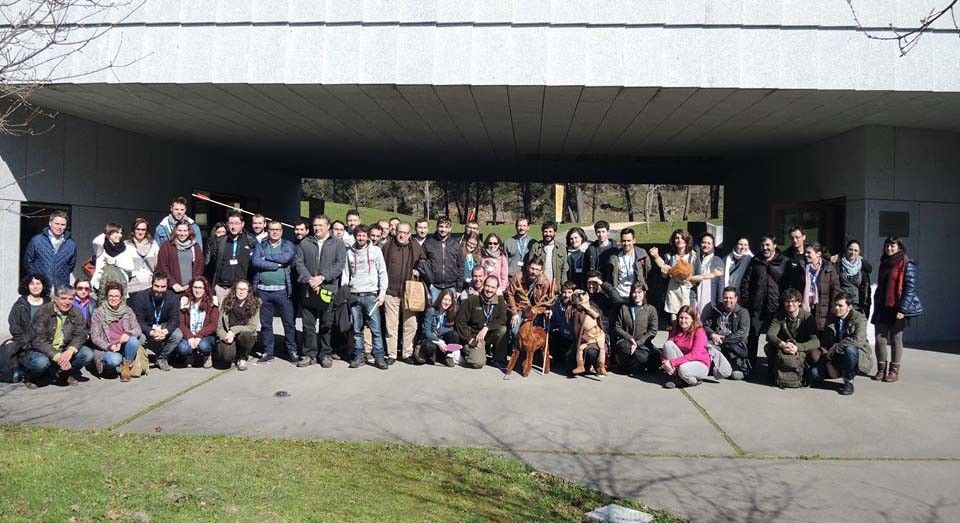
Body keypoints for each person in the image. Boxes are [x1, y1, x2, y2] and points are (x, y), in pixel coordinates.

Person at [294, 215, 346, 368]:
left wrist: (322, 278)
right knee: (308, 324)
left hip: (327, 289)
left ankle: (325, 354)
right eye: (315, 225)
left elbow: (339, 265)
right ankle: (309, 354)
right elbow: (299, 263)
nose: (317, 228)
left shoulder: (337, 244)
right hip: (309, 289)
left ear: (328, 227)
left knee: (326, 324)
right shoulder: (305, 242)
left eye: (321, 225)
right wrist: (310, 279)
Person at [871, 236, 924, 383]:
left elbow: (910, 289)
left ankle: (893, 371)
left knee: (895, 339)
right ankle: (881, 369)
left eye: (893, 246)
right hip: (883, 306)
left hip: (898, 308)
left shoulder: (907, 263)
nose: (889, 248)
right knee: (880, 339)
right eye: (887, 246)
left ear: (899, 247)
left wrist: (903, 309)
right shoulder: (884, 262)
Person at [22, 285, 94, 387]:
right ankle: (32, 377)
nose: (67, 302)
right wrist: (58, 356)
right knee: (41, 362)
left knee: (87, 354)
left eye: (70, 299)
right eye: (63, 298)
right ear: (55, 299)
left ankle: (63, 374)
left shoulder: (76, 312)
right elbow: (38, 340)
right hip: (43, 350)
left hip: (64, 348)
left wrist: (71, 350)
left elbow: (81, 333)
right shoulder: (43, 311)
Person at [251, 220, 299, 364]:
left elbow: (286, 258)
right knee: (266, 324)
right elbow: (255, 262)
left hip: (283, 292)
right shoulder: (261, 245)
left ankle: (292, 351)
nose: (274, 232)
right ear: (268, 230)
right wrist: (276, 265)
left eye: (277, 229)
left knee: (289, 323)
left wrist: (267, 258)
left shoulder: (288, 245)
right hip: (263, 291)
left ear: (282, 231)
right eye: (272, 229)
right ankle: (268, 352)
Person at [739, 236, 789, 370]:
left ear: (775, 245)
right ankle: (750, 366)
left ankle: (774, 366)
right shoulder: (755, 261)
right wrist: (746, 301)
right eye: (762, 245)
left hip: (776, 308)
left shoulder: (784, 262)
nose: (765, 248)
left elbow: (787, 285)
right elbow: (746, 283)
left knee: (776, 338)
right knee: (753, 337)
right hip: (757, 308)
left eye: (767, 245)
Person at [809, 292, 872, 396]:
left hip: (856, 356)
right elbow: (826, 344)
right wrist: (828, 362)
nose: (837, 308)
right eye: (835, 305)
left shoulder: (859, 318)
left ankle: (848, 382)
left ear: (849, 307)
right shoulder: (832, 318)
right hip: (836, 358)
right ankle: (839, 372)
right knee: (814, 374)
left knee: (850, 349)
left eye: (840, 305)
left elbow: (858, 341)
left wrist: (836, 347)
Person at [346, 226, 389, 370]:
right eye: (359, 236)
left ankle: (379, 357)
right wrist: (346, 292)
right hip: (354, 295)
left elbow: (382, 272)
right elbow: (346, 274)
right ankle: (359, 356)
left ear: (368, 237)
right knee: (357, 329)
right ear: (355, 236)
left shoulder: (376, 251)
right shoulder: (349, 253)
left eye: (364, 236)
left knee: (376, 329)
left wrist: (382, 293)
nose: (361, 238)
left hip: (371, 295)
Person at [382, 221, 425, 364]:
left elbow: (424, 262)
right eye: (399, 232)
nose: (401, 235)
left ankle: (407, 353)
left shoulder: (416, 247)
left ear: (409, 234)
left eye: (405, 233)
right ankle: (392, 354)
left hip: (409, 293)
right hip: (391, 291)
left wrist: (419, 269)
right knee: (391, 326)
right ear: (395, 232)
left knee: (410, 324)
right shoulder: (388, 246)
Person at [764, 288, 821, 389]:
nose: (790, 304)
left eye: (793, 301)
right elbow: (770, 334)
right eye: (787, 301)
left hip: (801, 348)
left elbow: (816, 341)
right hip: (785, 347)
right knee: (768, 347)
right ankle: (773, 372)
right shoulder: (780, 316)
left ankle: (805, 374)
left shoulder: (808, 317)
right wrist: (782, 344)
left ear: (799, 302)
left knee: (815, 355)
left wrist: (798, 347)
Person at [89, 281, 142, 381]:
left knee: (134, 340)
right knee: (114, 360)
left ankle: (126, 367)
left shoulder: (127, 310)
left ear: (121, 297)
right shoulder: (98, 313)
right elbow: (95, 337)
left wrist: (128, 334)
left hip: (123, 346)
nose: (113, 298)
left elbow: (138, 329)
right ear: (106, 296)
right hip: (107, 348)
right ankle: (108, 368)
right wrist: (109, 346)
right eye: (111, 296)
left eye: (116, 296)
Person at [455, 275, 510, 369]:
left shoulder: (500, 300)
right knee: (477, 363)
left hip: (488, 334)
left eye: (493, 287)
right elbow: (460, 321)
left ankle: (499, 359)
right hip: (474, 336)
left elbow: (502, 319)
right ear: (483, 285)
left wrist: (487, 327)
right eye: (487, 286)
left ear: (497, 289)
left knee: (503, 330)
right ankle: (466, 350)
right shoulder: (472, 300)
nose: (489, 290)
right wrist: (469, 339)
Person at [131, 272, 181, 371]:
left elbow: (174, 319)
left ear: (167, 286)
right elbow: (138, 321)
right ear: (152, 284)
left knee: (177, 335)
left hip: (163, 328)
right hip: (146, 328)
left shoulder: (173, 298)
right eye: (156, 286)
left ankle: (162, 358)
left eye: (163, 287)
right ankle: (141, 359)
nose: (159, 289)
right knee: (138, 338)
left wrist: (165, 331)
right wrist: (151, 332)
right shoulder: (140, 297)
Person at [8, 274, 51, 382]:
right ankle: (30, 377)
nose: (35, 286)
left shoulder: (49, 303)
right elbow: (14, 327)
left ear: (43, 286)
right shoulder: (20, 304)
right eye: (32, 284)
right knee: (42, 362)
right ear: (27, 286)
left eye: (38, 283)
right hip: (26, 346)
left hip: (46, 343)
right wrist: (26, 343)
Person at [701, 287, 751, 379]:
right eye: (725, 298)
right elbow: (705, 326)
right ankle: (713, 366)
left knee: (736, 376)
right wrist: (713, 334)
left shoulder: (743, 312)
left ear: (736, 299)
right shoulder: (716, 310)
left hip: (734, 346)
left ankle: (728, 366)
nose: (728, 300)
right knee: (705, 345)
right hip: (717, 344)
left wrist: (723, 340)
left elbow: (742, 334)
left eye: (731, 298)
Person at [208, 211, 257, 303]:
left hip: (242, 289)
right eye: (231, 223)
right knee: (220, 316)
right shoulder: (220, 241)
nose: (233, 226)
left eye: (237, 223)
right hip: (223, 288)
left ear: (242, 224)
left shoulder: (250, 241)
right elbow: (212, 265)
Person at [650, 229, 698, 321]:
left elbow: (699, 274)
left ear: (687, 239)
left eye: (682, 237)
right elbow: (664, 272)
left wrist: (693, 283)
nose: (679, 240)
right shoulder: (669, 256)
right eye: (677, 238)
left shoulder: (694, 256)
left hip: (688, 294)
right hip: (672, 293)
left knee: (688, 320)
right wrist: (656, 257)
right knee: (674, 321)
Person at [612, 282, 659, 376]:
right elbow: (617, 327)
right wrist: (630, 338)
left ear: (644, 293)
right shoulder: (624, 308)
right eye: (634, 292)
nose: (636, 295)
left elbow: (653, 331)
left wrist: (638, 343)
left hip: (643, 343)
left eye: (639, 292)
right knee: (624, 348)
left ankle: (636, 366)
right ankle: (629, 366)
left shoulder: (651, 309)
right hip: (627, 341)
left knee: (643, 356)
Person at [23, 210, 78, 290]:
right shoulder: (37, 240)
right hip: (41, 287)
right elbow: (28, 262)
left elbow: (70, 266)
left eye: (63, 224)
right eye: (57, 224)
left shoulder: (71, 244)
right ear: (50, 223)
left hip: (61, 287)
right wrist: (37, 278)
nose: (59, 227)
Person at [505, 256, 555, 341]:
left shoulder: (544, 282)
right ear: (528, 267)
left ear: (541, 271)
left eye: (537, 270)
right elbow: (510, 294)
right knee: (515, 331)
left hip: (536, 310)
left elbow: (546, 300)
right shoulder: (518, 277)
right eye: (532, 268)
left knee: (535, 333)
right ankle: (516, 348)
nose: (534, 272)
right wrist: (514, 313)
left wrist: (546, 310)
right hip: (519, 308)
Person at [659, 305, 710, 388]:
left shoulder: (699, 332)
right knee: (668, 344)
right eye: (681, 317)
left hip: (700, 363)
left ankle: (693, 381)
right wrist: (664, 362)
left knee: (683, 369)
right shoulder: (676, 329)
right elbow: (665, 349)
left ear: (692, 319)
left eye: (686, 318)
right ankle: (677, 378)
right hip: (684, 361)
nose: (683, 320)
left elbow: (694, 355)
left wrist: (672, 362)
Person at [216, 280, 260, 371]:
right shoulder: (227, 302)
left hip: (243, 335)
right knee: (226, 359)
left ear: (248, 291)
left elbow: (252, 326)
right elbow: (219, 327)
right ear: (235, 290)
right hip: (228, 335)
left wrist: (233, 330)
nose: (241, 291)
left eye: (244, 289)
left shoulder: (255, 304)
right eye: (239, 289)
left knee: (247, 335)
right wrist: (225, 336)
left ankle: (243, 357)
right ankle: (234, 353)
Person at [177, 277, 219, 368]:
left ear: (205, 289)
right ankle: (190, 355)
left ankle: (206, 355)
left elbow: (214, 325)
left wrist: (199, 335)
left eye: (200, 288)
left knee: (204, 346)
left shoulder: (212, 302)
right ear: (191, 288)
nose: (197, 290)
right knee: (183, 348)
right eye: (195, 287)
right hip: (190, 335)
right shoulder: (185, 301)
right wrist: (190, 336)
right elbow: (181, 323)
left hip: (205, 336)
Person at [422, 215, 465, 303]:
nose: (443, 229)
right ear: (437, 227)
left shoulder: (456, 245)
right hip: (434, 287)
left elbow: (460, 266)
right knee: (433, 313)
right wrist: (429, 283)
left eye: (446, 227)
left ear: (450, 229)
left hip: (451, 286)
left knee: (450, 314)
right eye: (441, 226)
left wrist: (459, 288)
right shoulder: (428, 244)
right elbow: (423, 264)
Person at [156, 220, 204, 295]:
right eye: (179, 230)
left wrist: (192, 284)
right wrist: (172, 283)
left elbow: (199, 266)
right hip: (172, 290)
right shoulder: (167, 246)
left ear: (189, 232)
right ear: (175, 231)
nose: (182, 233)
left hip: (191, 289)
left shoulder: (195, 246)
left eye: (185, 231)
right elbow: (162, 266)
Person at [802, 243, 840, 332]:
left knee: (821, 336)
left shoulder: (829, 268)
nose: (806, 255)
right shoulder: (802, 267)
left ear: (818, 254)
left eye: (809, 252)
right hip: (806, 307)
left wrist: (833, 307)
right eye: (805, 252)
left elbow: (835, 289)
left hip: (823, 308)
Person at [568, 289, 607, 376]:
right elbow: (577, 329)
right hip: (587, 337)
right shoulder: (576, 312)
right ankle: (580, 365)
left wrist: (587, 308)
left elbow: (597, 317)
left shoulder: (592, 309)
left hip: (598, 335)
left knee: (601, 349)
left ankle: (601, 366)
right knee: (580, 349)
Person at [91, 223, 136, 297]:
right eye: (117, 232)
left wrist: (115, 262)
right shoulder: (101, 248)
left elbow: (131, 267)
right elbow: (95, 241)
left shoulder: (126, 248)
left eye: (121, 233)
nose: (120, 235)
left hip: (120, 288)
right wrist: (106, 233)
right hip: (102, 287)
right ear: (109, 233)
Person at [419, 290, 462, 367]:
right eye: (445, 299)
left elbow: (450, 329)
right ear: (440, 299)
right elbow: (426, 332)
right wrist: (438, 341)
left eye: (449, 300)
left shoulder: (450, 312)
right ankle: (432, 356)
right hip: (431, 339)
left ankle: (448, 356)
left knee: (454, 335)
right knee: (428, 346)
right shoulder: (431, 310)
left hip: (442, 338)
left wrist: (442, 339)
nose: (447, 302)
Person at [608, 228, 650, 303]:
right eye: (624, 241)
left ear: (634, 240)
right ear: (621, 241)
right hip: (620, 294)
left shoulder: (642, 254)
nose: (626, 243)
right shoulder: (615, 257)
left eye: (629, 240)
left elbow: (648, 271)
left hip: (636, 294)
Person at [835, 239, 872, 316]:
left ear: (859, 252)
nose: (853, 252)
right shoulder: (838, 265)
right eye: (850, 249)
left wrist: (866, 307)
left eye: (856, 250)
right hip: (841, 305)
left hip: (857, 306)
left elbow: (866, 289)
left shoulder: (863, 268)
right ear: (846, 250)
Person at [527, 220, 568, 288]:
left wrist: (564, 286)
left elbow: (564, 269)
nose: (548, 234)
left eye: (550, 231)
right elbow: (530, 267)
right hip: (539, 286)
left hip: (555, 286)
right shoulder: (536, 247)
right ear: (542, 232)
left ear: (555, 232)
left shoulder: (561, 248)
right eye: (545, 231)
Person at [126, 218, 159, 298]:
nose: (140, 232)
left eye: (143, 229)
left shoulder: (154, 244)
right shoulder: (126, 245)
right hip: (132, 287)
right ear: (133, 230)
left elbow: (157, 265)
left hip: (149, 286)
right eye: (138, 229)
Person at [547, 282, 577, 367]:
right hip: (562, 335)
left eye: (569, 292)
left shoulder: (577, 305)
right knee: (553, 335)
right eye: (564, 292)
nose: (566, 295)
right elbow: (552, 323)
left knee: (570, 366)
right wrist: (548, 315)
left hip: (573, 339)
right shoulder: (556, 304)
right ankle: (556, 357)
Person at [694, 233, 725, 314]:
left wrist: (720, 300)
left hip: (710, 297)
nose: (705, 245)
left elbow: (720, 282)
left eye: (709, 243)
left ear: (713, 245)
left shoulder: (717, 260)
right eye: (703, 242)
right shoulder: (696, 259)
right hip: (696, 294)